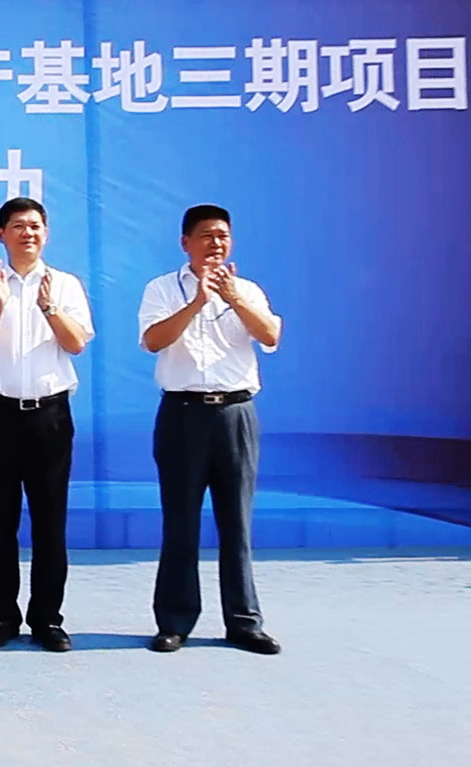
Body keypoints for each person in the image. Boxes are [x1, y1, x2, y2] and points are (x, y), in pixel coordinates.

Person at [137, 204, 283, 655]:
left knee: (236, 523)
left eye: (222, 236)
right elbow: (153, 340)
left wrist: (233, 297)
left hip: (235, 414)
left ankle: (244, 622)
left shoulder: (247, 289)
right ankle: (174, 621)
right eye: (206, 236)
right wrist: (197, 303)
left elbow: (270, 335)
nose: (216, 243)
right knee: (180, 521)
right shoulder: (163, 289)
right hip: (182, 414)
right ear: (186, 243)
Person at [0, 197, 94, 653]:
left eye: (35, 226)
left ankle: (47, 619)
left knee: (50, 524)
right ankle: (3, 617)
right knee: (0, 524)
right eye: (17, 226)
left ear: (46, 234)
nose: (27, 233)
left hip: (49, 417)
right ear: (1, 234)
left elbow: (76, 344)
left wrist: (50, 308)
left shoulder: (65, 285)